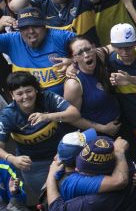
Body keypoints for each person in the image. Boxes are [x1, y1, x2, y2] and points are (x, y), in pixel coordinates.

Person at [0, 72, 80, 206]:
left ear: (35, 89)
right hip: (34, 165)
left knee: (74, 195)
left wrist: (48, 116)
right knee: (48, 200)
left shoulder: (47, 97)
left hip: (62, 156)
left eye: (29, 91)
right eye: (19, 94)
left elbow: (75, 114)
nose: (25, 97)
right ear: (12, 95)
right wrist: (12, 158)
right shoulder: (8, 115)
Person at [0, 7, 75, 94]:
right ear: (19, 30)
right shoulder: (11, 41)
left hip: (63, 102)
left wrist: (74, 62)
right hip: (28, 103)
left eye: (36, 26)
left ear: (45, 26)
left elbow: (93, 50)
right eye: (25, 27)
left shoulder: (60, 37)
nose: (31, 31)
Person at [63, 36, 121, 136]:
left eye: (87, 49)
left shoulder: (98, 56)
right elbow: (72, 118)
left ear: (93, 47)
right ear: (73, 58)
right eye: (79, 53)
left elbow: (119, 45)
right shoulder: (73, 84)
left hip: (120, 121)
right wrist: (104, 129)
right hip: (99, 134)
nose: (86, 55)